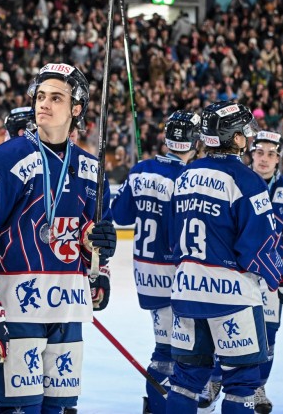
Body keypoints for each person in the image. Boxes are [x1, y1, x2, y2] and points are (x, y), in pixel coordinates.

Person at [0, 63, 117, 413]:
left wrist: (98, 251)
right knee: (15, 408)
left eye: (56, 97)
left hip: (68, 307)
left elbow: (86, 234)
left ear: (76, 108)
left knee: (59, 408)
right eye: (40, 96)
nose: (43, 104)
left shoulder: (90, 167)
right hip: (16, 307)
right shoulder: (5, 158)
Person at [165, 101, 283, 414]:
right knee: (242, 384)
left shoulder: (186, 175)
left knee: (185, 381)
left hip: (186, 291)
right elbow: (258, 249)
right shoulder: (247, 181)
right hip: (232, 298)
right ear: (238, 139)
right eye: (246, 131)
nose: (249, 136)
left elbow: (171, 237)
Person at [203, 131, 283, 414]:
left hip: (271, 277)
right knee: (225, 331)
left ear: (279, 158)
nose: (264, 159)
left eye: (271, 154)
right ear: (251, 153)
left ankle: (258, 385)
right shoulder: (237, 180)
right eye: (260, 152)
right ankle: (215, 380)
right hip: (236, 274)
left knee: (267, 336)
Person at [111, 110, 201, 414]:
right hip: (179, 276)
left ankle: (156, 406)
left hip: (147, 275)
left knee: (165, 348)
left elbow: (119, 216)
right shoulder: (190, 177)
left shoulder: (140, 170)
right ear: (196, 141)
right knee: (179, 351)